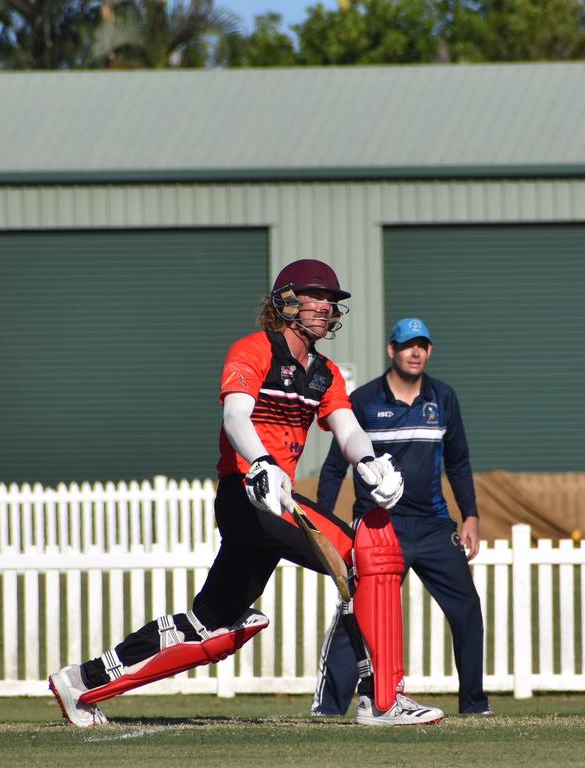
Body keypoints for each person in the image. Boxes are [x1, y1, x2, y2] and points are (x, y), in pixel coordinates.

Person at [48, 259, 444, 728]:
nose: (324, 307)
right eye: (314, 296)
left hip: (272, 498)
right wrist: (261, 463)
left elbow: (346, 425)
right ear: (286, 301)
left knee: (207, 625)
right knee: (366, 557)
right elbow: (236, 416)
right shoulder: (253, 350)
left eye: (330, 300)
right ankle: (380, 699)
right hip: (249, 496)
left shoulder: (326, 373)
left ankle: (80, 681)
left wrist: (370, 460)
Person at [312, 317, 490, 717]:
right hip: (378, 529)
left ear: (429, 351)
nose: (415, 352)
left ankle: (475, 705)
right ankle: (328, 708)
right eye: (408, 345)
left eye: (422, 345)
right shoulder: (363, 401)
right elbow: (334, 468)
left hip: (433, 526)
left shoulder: (444, 398)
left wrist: (471, 516)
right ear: (391, 351)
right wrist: (324, 522)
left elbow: (459, 463)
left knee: (467, 609)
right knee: (359, 617)